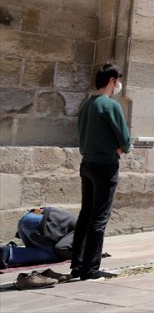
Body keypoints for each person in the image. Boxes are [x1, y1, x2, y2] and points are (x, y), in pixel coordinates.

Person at [70, 62, 131, 281]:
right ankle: (91, 268)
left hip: (87, 163)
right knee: (99, 217)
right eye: (118, 81)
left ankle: (77, 265)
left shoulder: (87, 104)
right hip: (105, 164)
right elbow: (125, 138)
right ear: (112, 81)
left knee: (85, 215)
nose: (119, 85)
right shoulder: (110, 105)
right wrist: (122, 148)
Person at [1, 207, 76, 269]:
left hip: (27, 218)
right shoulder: (83, 230)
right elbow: (61, 248)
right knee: (53, 255)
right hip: (37, 224)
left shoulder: (75, 219)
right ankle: (9, 253)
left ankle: (7, 252)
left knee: (36, 250)